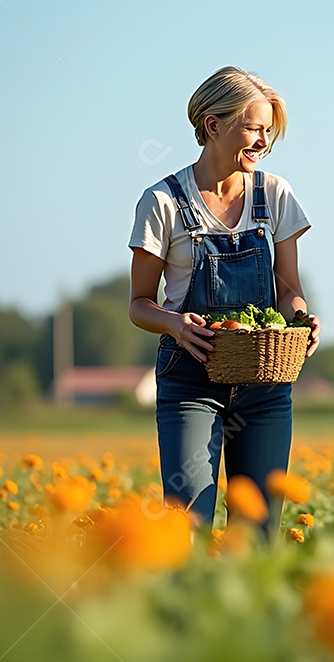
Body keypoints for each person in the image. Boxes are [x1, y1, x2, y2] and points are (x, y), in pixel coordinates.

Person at [128, 66, 319, 532]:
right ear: (213, 126)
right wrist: (175, 324)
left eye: (267, 131)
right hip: (190, 384)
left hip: (266, 384)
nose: (262, 141)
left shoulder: (275, 194)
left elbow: (289, 288)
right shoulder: (163, 202)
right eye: (252, 128)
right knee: (187, 521)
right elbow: (139, 303)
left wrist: (300, 320)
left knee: (259, 527)